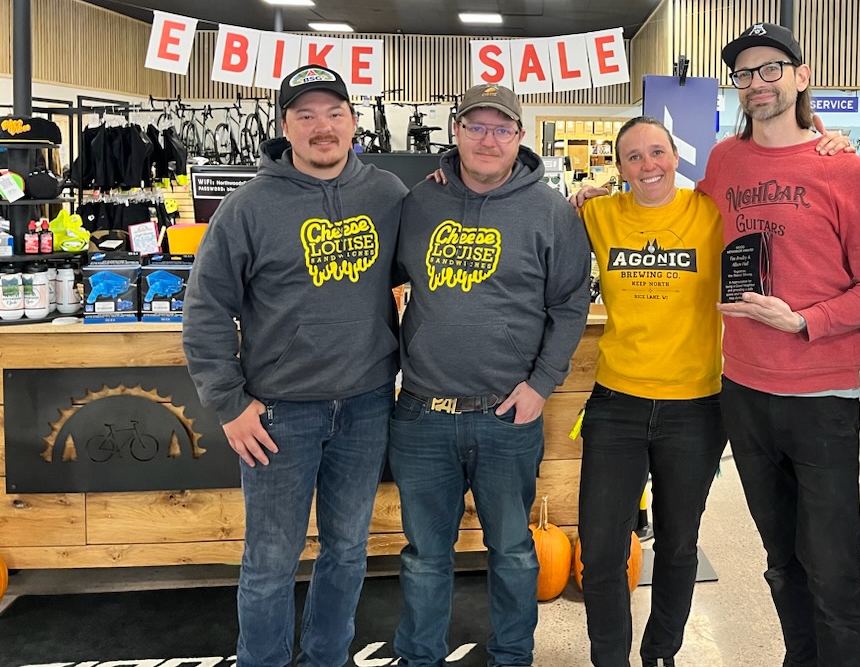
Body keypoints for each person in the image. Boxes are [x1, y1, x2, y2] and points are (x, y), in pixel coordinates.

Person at [183, 64, 408, 667]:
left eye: (334, 113)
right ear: (285, 127)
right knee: (269, 560)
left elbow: (450, 239)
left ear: (354, 122)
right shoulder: (249, 206)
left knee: (347, 552)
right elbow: (205, 309)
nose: (322, 127)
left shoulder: (388, 195)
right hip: (279, 414)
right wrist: (229, 403)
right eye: (305, 115)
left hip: (365, 406)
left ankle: (327, 659)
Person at [698, 21, 860, 667]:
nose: (756, 83)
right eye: (745, 74)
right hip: (745, 392)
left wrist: (805, 321)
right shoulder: (725, 161)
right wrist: (592, 201)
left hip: (821, 396)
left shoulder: (845, 169)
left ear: (802, 77)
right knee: (782, 563)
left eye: (770, 69)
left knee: (833, 571)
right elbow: (683, 222)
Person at [392, 82, 592, 667]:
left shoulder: (550, 211)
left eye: (501, 128)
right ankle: (420, 657)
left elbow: (571, 303)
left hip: (508, 415)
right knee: (424, 555)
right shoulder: (417, 203)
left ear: (519, 137)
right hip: (423, 413)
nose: (488, 139)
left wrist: (542, 385)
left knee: (513, 551)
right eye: (475, 127)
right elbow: (375, 279)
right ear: (454, 132)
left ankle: (513, 656)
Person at [576, 116, 727, 667]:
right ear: (619, 166)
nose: (648, 165)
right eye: (634, 156)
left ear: (676, 156)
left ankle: (661, 652)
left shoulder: (709, 212)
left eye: (657, 152)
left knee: (679, 543)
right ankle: (608, 657)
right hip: (616, 404)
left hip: (696, 406)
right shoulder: (598, 214)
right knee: (600, 546)